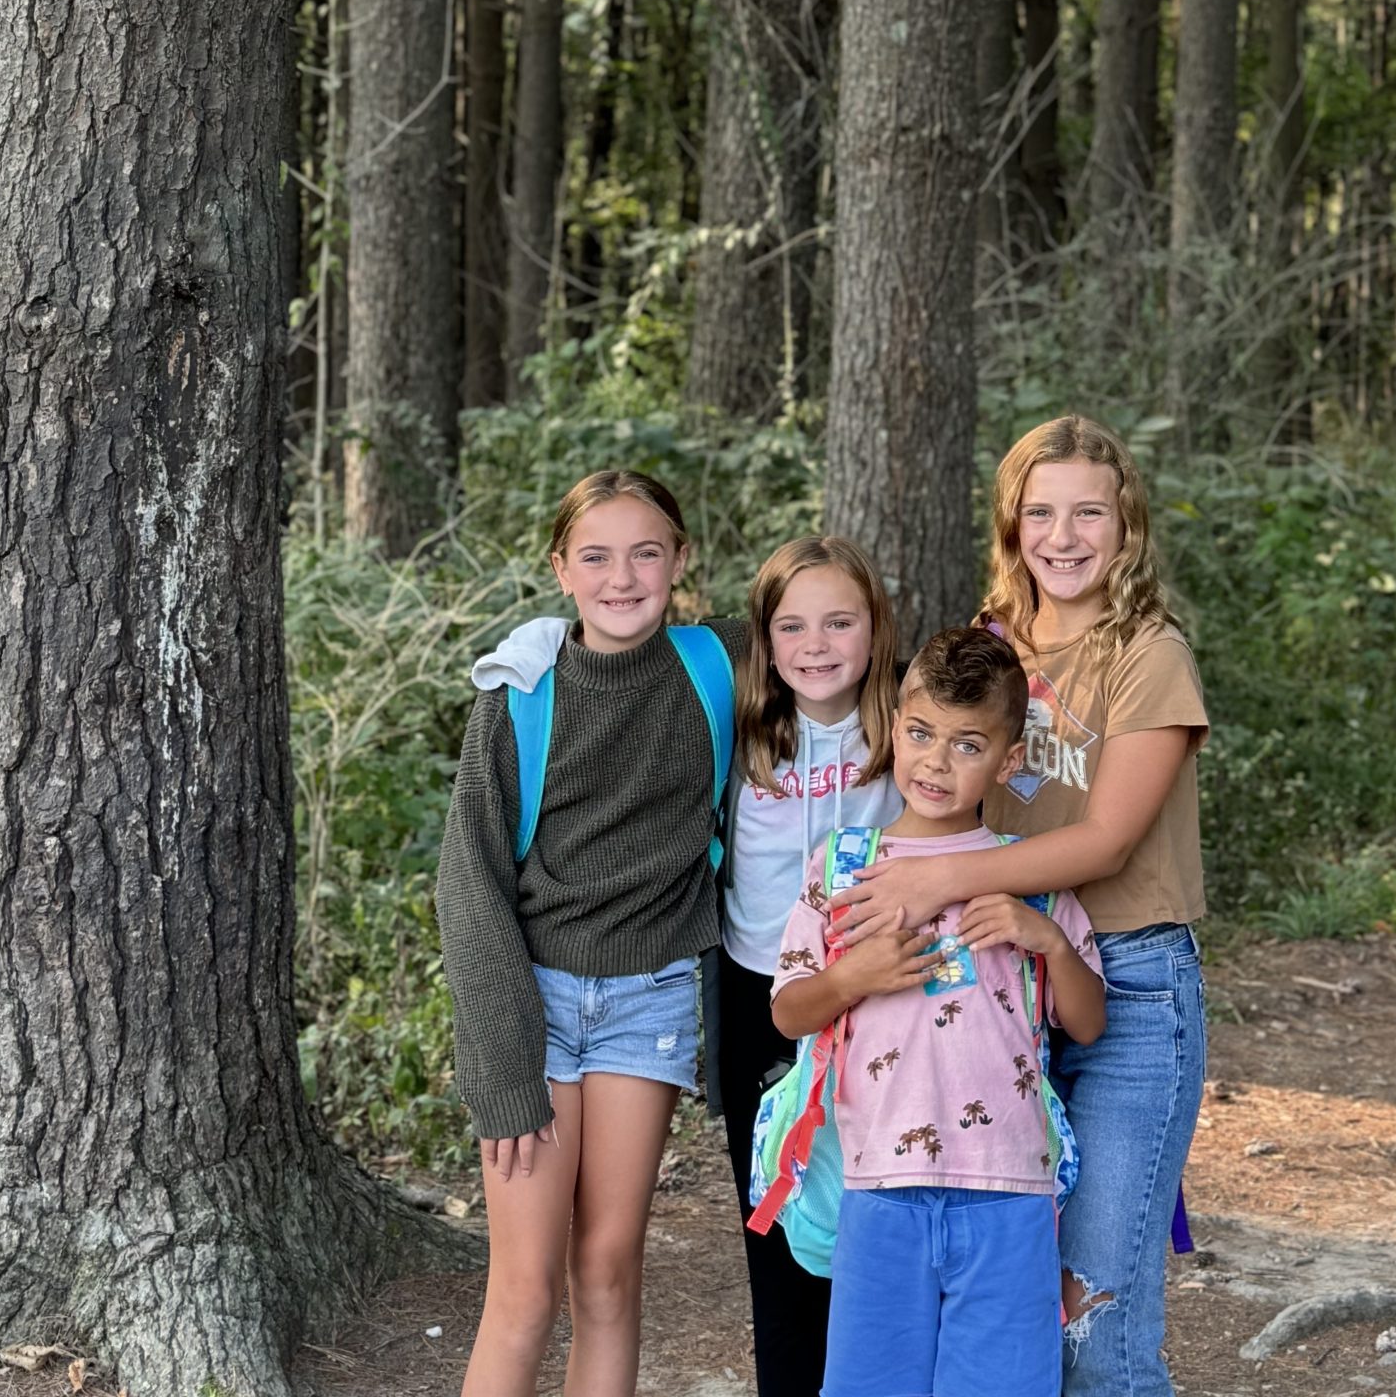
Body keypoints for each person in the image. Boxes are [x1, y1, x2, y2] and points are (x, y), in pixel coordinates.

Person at [845, 417, 1208, 1397]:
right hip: (1001, 992)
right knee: (1021, 1322)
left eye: (1089, 509)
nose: (1064, 533)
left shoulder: (1148, 652)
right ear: (1012, 526)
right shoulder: (994, 646)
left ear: (1125, 523)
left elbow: (1105, 842)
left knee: (1098, 1328)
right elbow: (938, 784)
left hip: (1128, 990)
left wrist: (943, 882)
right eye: (1040, 511)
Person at [436, 466, 746, 1397]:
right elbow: (468, 883)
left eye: (647, 553)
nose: (624, 577)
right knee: (525, 1289)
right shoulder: (519, 694)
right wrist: (502, 1060)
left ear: (681, 561)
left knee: (608, 1270)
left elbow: (839, 639)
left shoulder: (720, 666)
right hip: (529, 1004)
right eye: (597, 557)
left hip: (648, 1003)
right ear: (562, 569)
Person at [771, 626, 1105, 1397]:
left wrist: (1049, 940)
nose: (934, 761)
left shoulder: (1031, 879)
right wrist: (855, 975)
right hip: (878, 1184)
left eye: (966, 745)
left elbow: (1088, 1025)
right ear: (894, 726)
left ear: (1008, 760)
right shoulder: (844, 867)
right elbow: (791, 1012)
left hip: (1010, 1189)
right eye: (921, 733)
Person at [717, 534, 903, 1397]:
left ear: (875, 630)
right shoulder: (740, 729)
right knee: (779, 1218)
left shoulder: (904, 731)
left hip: (880, 997)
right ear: (764, 639)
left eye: (840, 622)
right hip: (757, 994)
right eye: (792, 626)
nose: (817, 645)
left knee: (871, 1208)